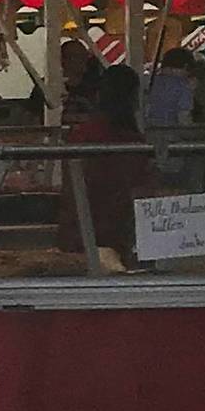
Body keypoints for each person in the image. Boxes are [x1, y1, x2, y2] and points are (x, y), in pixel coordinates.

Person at [61, 65, 148, 265]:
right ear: (133, 97)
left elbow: (73, 191)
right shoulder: (131, 141)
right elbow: (137, 189)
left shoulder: (82, 135)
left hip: (81, 233)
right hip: (115, 234)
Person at [143, 47, 199, 130]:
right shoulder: (183, 86)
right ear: (185, 67)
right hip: (171, 134)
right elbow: (184, 119)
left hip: (147, 132)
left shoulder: (148, 82)